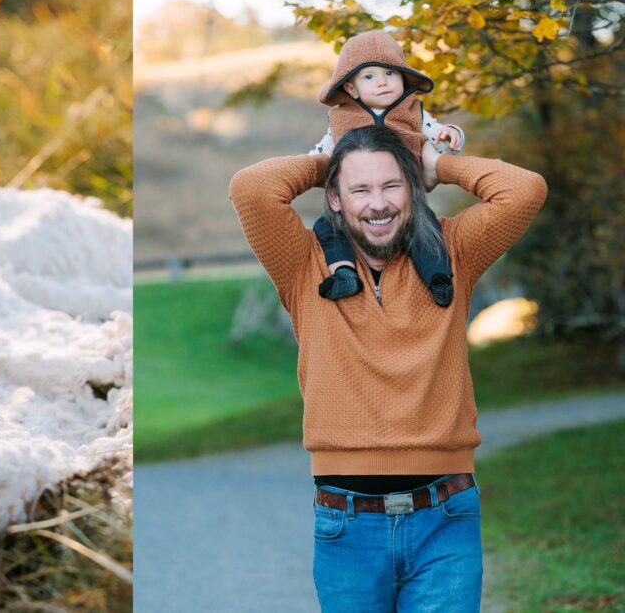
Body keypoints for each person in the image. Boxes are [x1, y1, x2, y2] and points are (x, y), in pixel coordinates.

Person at [229, 124, 545, 611]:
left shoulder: (454, 251)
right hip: (346, 526)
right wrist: (326, 160)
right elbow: (251, 189)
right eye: (360, 189)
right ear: (335, 198)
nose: (378, 204)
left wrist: (439, 164)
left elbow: (524, 191)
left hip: (447, 519)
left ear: (413, 189)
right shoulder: (301, 262)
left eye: (392, 185)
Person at [306, 30, 464, 307]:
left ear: (403, 77)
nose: (382, 82)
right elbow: (323, 150)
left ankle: (438, 277)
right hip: (358, 200)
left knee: (426, 228)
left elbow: (437, 131)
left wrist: (448, 136)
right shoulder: (342, 119)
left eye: (390, 73)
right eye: (369, 77)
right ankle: (344, 273)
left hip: (406, 195)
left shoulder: (413, 111)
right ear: (352, 88)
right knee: (328, 227)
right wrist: (306, 167)